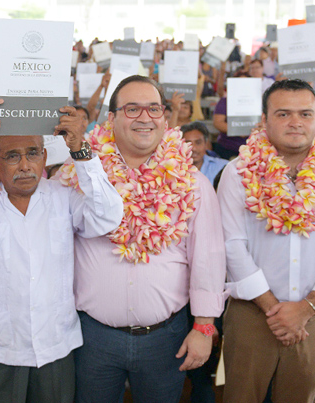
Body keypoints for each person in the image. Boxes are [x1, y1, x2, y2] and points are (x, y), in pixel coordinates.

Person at [0, 93, 123, 403]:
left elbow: (107, 217)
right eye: (12, 156)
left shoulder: (62, 196)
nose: (25, 165)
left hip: (54, 344)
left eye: (33, 153)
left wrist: (80, 151)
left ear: (44, 157)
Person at [56, 75, 226, 403]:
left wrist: (204, 326)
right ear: (112, 118)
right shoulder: (74, 173)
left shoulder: (192, 181)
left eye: (153, 109)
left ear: (164, 117)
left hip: (165, 338)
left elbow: (208, 258)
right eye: (132, 109)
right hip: (91, 337)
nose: (145, 117)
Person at [217, 79, 315, 403]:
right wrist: (278, 310)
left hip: (314, 318)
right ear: (264, 120)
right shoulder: (237, 173)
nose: (295, 122)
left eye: (305, 113)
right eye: (283, 114)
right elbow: (232, 246)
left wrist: (305, 309)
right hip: (251, 316)